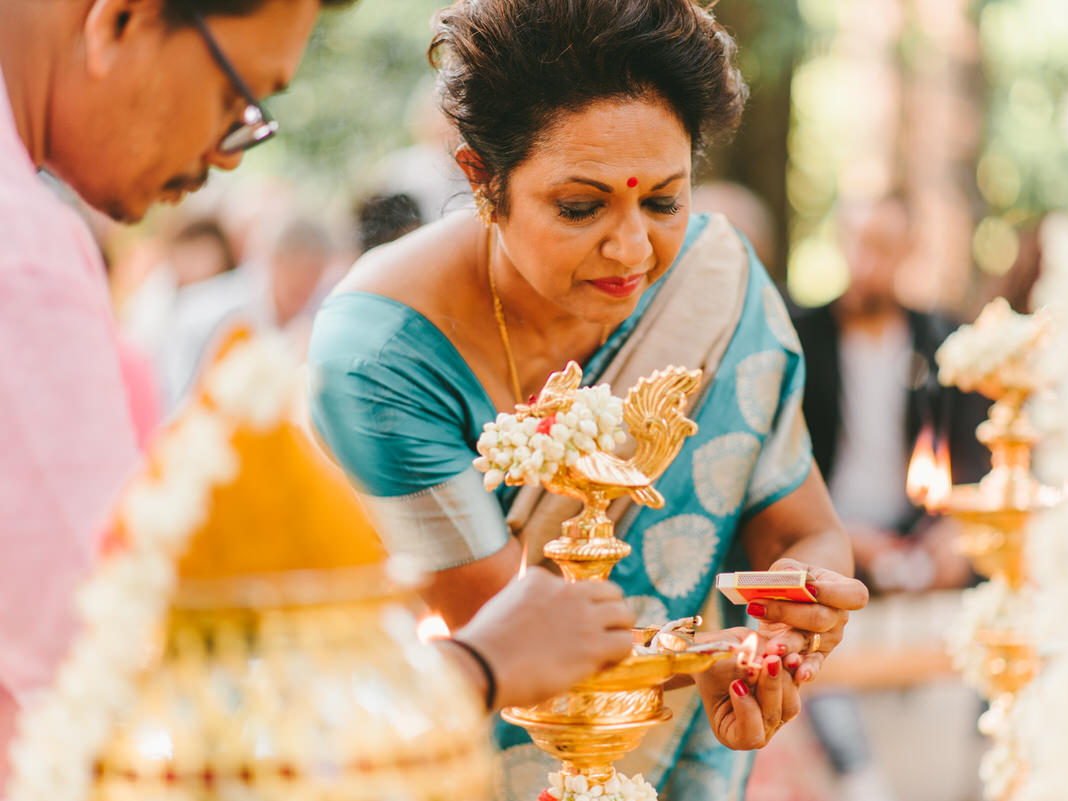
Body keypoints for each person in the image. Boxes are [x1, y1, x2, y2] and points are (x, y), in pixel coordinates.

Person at [0, 0, 636, 788]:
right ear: (120, 21)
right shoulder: (21, 259)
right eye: (240, 97)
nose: (229, 153)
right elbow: (112, 702)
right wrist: (477, 666)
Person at [307, 2, 868, 799]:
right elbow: (519, 638)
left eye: (665, 201)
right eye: (580, 207)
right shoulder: (382, 359)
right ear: (482, 180)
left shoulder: (718, 287)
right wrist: (710, 654)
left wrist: (793, 618)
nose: (633, 248)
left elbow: (804, 528)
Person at [789, 195, 990, 801]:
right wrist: (842, 534)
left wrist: (954, 532)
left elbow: (974, 450)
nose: (868, 261)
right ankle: (857, 773)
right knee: (801, 598)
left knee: (1005, 580)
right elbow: (785, 463)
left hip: (920, 529)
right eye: (857, 243)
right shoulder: (801, 339)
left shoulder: (943, 338)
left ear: (906, 253)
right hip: (828, 525)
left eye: (883, 246)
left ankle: (985, 763)